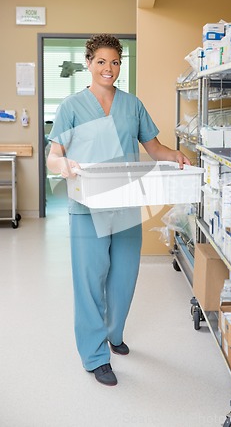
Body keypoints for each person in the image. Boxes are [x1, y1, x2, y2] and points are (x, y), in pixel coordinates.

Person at [47, 34, 191, 386]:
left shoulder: (132, 105)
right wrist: (61, 164)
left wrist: (175, 156)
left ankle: (114, 334)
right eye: (101, 62)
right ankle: (95, 356)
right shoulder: (71, 107)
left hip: (126, 203)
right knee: (90, 283)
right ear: (88, 63)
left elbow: (154, 147)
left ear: (120, 66)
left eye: (114, 62)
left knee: (124, 279)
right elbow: (54, 155)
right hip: (87, 206)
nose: (108, 68)